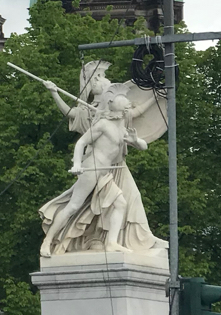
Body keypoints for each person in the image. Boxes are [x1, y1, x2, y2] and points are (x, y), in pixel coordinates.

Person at [39, 91, 161, 256]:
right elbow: (81, 143)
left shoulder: (121, 127)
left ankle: (111, 243)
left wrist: (135, 141)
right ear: (120, 111)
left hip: (105, 173)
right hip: (92, 169)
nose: (128, 111)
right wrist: (76, 163)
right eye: (126, 108)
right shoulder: (103, 124)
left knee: (120, 204)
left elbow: (143, 146)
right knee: (73, 206)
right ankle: (47, 242)